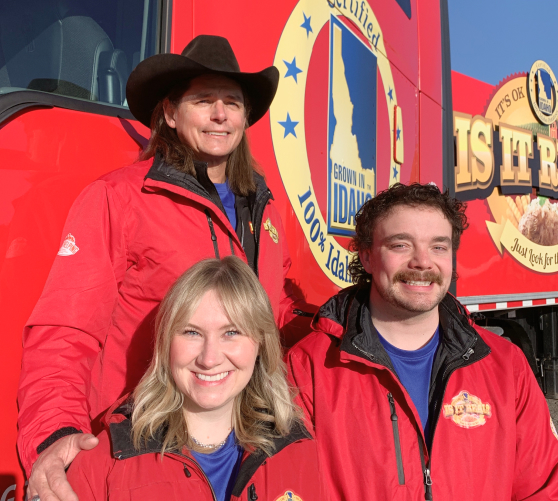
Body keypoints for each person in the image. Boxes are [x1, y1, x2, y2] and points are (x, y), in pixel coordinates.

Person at [19, 35, 314, 501]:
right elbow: (66, 330)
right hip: (139, 448)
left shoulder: (264, 209)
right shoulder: (121, 197)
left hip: (237, 443)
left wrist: (342, 318)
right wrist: (55, 433)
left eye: (232, 103)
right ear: (171, 114)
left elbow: (271, 315)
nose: (221, 114)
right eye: (203, 101)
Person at [287, 183, 558, 500]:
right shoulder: (308, 368)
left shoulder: (505, 365)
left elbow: (542, 488)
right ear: (368, 257)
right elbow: (289, 487)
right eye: (401, 245)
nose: (423, 262)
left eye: (438, 247)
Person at [64, 256, 323, 501]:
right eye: (191, 332)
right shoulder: (104, 463)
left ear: (260, 345)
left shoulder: (299, 452)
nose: (209, 359)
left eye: (231, 332)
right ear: (165, 344)